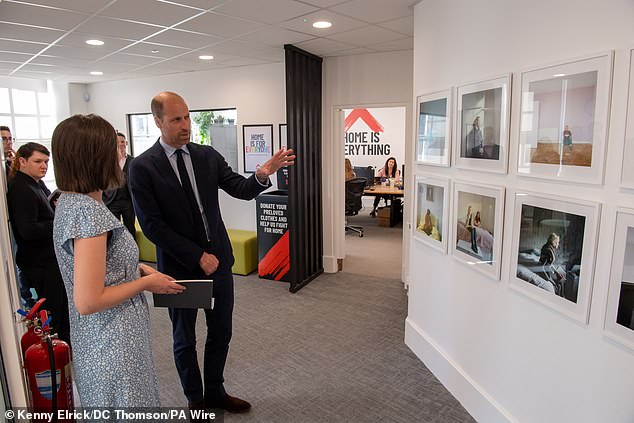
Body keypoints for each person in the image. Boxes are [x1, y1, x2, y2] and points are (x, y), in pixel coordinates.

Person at [129, 91, 295, 415]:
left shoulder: (206, 156)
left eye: (187, 117)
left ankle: (216, 391)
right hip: (180, 270)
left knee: (221, 332)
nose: (185, 125)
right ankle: (196, 400)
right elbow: (152, 226)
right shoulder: (143, 167)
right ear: (158, 121)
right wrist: (195, 256)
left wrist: (263, 172)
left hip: (219, 264)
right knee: (185, 339)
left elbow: (241, 189)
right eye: (176, 119)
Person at [51, 114, 185, 407]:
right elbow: (88, 299)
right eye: (114, 147)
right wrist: (146, 283)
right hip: (113, 342)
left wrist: (135, 269)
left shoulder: (70, 202)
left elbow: (95, 269)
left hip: (98, 339)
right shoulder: (89, 214)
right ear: (95, 156)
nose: (121, 153)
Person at [7, 143, 70, 343]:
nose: (43, 166)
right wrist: (57, 223)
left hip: (47, 261)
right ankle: (56, 355)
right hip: (40, 264)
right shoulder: (22, 188)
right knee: (53, 313)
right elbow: (29, 230)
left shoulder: (34, 183)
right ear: (22, 161)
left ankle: (63, 350)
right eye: (38, 161)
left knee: (59, 310)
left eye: (46, 162)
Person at [103, 131, 136, 235]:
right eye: (117, 142)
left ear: (126, 143)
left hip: (128, 201)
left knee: (130, 229)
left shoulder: (133, 161)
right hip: (112, 200)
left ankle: (133, 250)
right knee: (114, 231)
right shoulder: (107, 162)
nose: (120, 144)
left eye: (122, 141)